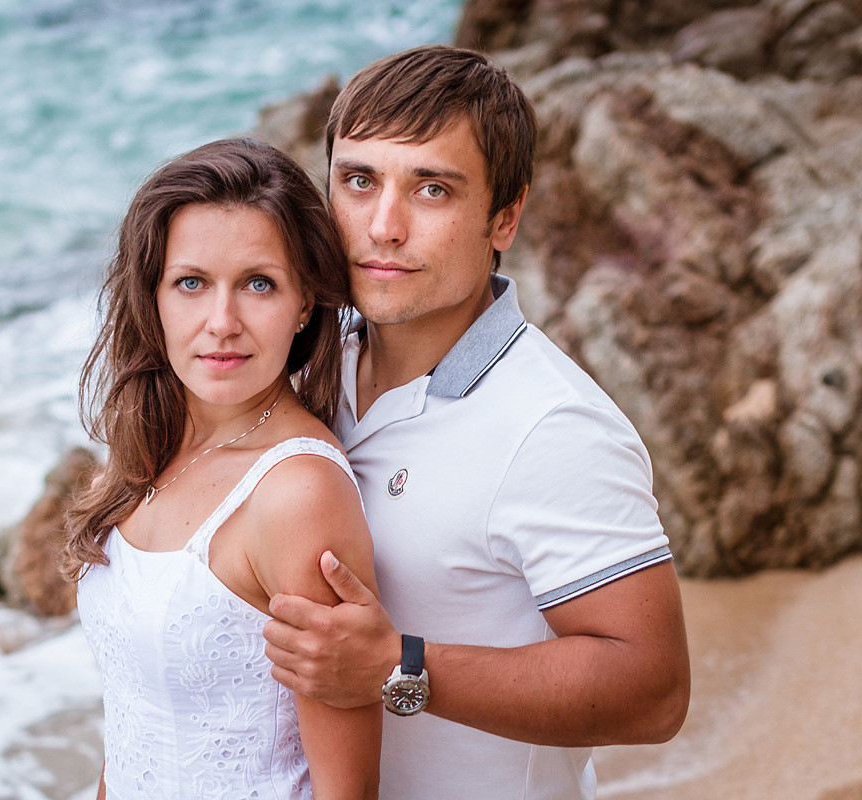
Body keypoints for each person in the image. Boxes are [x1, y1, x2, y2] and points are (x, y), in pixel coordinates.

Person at [261, 45, 691, 799]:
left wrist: (401, 665)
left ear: (506, 216)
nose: (383, 226)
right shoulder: (306, 370)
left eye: (431, 189)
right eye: (359, 181)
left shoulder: (554, 426)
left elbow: (653, 690)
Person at [64, 138, 382, 800]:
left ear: (304, 303)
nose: (222, 322)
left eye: (258, 284)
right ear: (151, 297)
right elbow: (132, 727)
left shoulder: (296, 494)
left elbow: (346, 792)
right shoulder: (146, 452)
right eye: (191, 283)